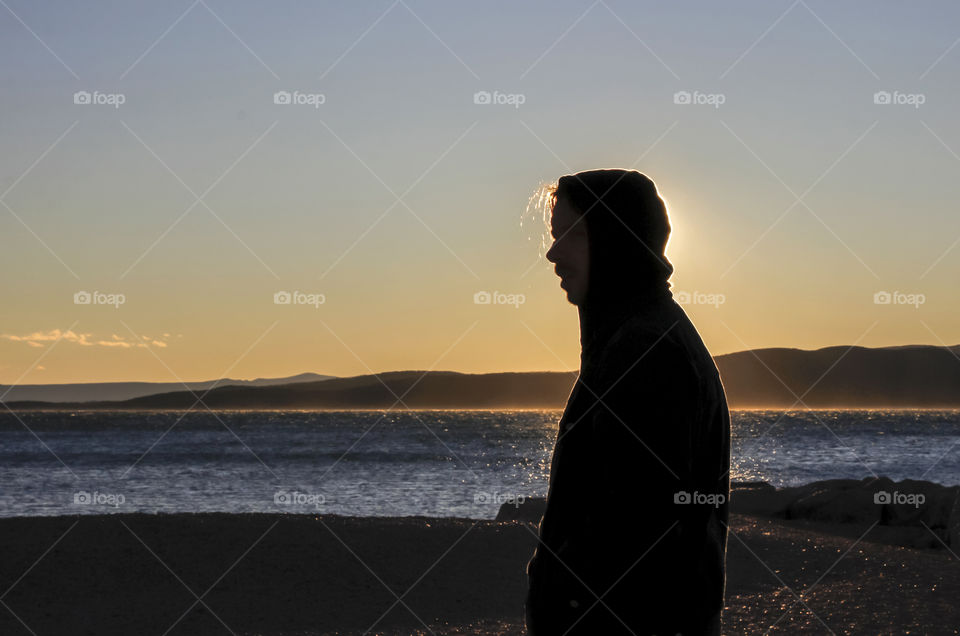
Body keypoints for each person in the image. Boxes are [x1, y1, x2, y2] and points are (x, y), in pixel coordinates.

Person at [524, 169, 730, 635]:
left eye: (573, 235)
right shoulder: (630, 341)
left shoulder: (648, 352)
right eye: (555, 236)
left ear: (617, 240)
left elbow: (642, 541)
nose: (553, 253)